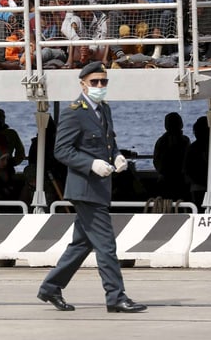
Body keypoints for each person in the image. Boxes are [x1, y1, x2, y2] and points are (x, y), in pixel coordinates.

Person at [37, 62, 147, 314]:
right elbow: (61, 150)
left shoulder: (104, 110)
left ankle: (51, 287)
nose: (99, 86)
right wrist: (91, 164)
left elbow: (110, 143)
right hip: (85, 188)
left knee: (81, 244)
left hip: (100, 187)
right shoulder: (73, 112)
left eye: (103, 81)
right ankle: (115, 297)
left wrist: (117, 156)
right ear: (83, 84)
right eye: (94, 82)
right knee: (106, 244)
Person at [152, 112, 191, 201]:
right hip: (181, 180)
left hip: (165, 180)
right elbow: (188, 160)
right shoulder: (185, 141)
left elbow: (156, 160)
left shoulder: (161, 141)